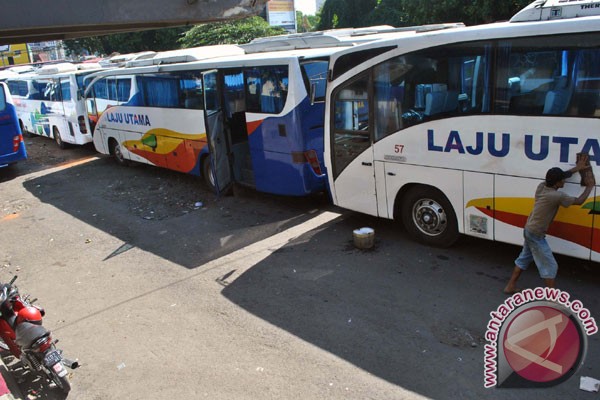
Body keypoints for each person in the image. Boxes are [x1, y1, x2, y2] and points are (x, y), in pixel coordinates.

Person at [503, 156, 595, 293]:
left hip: (529, 229)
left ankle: (510, 286)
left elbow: (562, 175)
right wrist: (589, 186)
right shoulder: (556, 196)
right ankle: (552, 298)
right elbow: (580, 201)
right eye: (562, 180)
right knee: (550, 265)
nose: (564, 181)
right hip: (536, 234)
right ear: (557, 183)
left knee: (524, 259)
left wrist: (577, 168)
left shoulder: (542, 186)